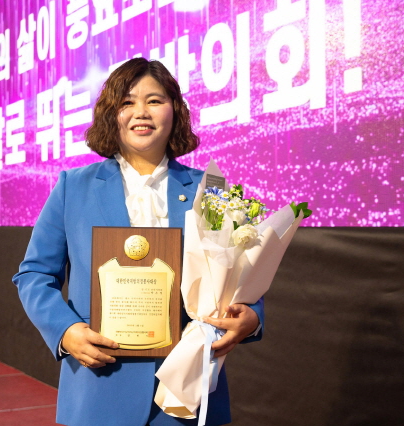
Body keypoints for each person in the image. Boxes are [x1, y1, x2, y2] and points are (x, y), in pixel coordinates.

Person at [13, 58, 264, 426]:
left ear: (175, 110)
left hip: (186, 388)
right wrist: (65, 331)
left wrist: (253, 316)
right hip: (99, 385)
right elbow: (34, 275)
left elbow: (240, 275)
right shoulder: (73, 187)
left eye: (155, 100)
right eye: (127, 102)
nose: (141, 112)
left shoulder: (210, 189)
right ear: (110, 114)